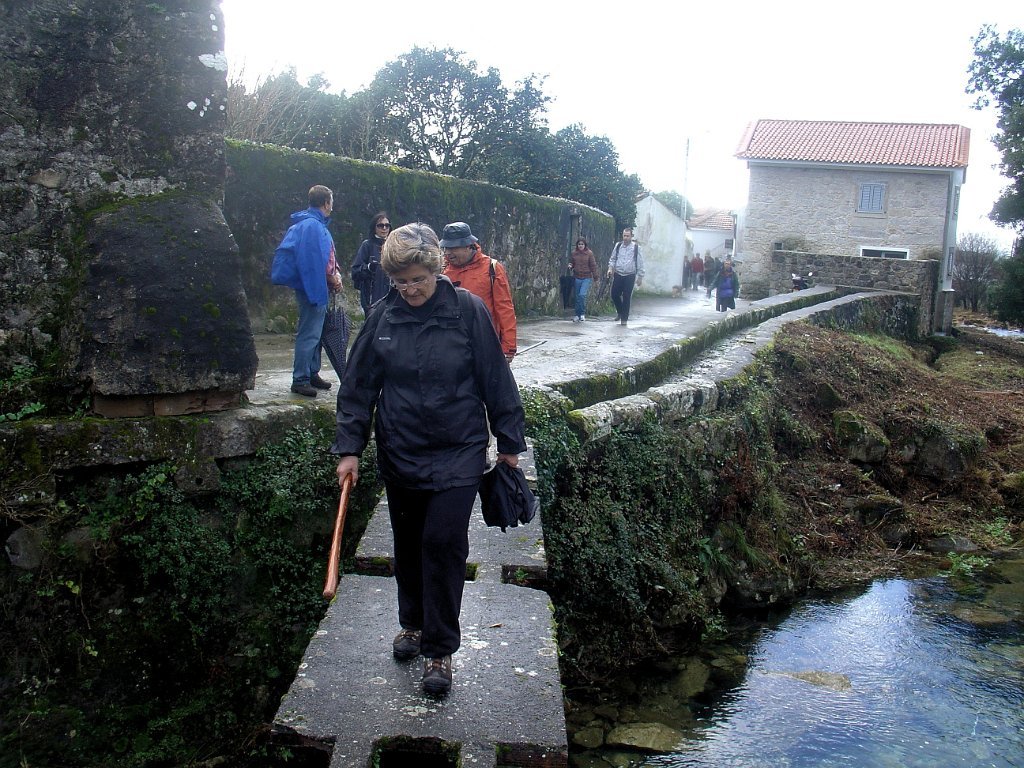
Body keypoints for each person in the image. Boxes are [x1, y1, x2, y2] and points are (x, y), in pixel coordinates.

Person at [332, 223, 526, 697]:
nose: (410, 289)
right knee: (408, 543)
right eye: (400, 282)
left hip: (459, 450)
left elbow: (495, 378)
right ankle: (413, 624)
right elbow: (357, 389)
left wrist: (509, 443)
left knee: (442, 543)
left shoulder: (467, 311)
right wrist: (350, 449)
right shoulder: (382, 317)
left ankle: (439, 650)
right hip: (401, 450)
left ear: (437, 269)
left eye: (417, 279)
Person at [271, 184, 339, 397]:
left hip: (314, 284)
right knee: (310, 333)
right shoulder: (312, 226)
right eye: (331, 202)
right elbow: (314, 261)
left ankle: (311, 372)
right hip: (313, 286)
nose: (332, 206)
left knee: (315, 333)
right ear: (326, 203)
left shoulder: (310, 224)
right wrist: (331, 278)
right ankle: (301, 378)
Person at [440, 222, 517, 361]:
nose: (447, 253)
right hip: (452, 344)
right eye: (446, 248)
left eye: (453, 248)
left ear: (468, 246)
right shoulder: (441, 270)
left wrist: (508, 348)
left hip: (485, 342)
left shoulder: (492, 268)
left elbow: (504, 309)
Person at [350, 212, 392, 314]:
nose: (384, 228)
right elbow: (355, 271)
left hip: (391, 299)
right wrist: (369, 268)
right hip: (371, 299)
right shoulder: (367, 245)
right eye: (380, 225)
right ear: (374, 228)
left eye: (387, 225)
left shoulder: (394, 246)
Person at [606, 227, 645, 326]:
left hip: (630, 275)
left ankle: (624, 319)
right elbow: (613, 258)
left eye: (627, 236)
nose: (625, 238)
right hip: (618, 273)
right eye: (624, 236)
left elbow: (640, 262)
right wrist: (610, 269)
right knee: (614, 294)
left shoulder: (636, 248)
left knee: (627, 297)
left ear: (631, 236)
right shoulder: (618, 246)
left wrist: (640, 277)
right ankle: (620, 312)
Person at [568, 236, 599, 322]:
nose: (580, 246)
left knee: (582, 295)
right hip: (577, 277)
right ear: (577, 245)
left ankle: (582, 314)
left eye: (582, 244)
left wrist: (595, 277)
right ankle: (577, 315)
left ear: (585, 245)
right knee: (577, 297)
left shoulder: (589, 253)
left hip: (586, 277)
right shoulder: (574, 253)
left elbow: (593, 265)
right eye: (579, 244)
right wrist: (570, 265)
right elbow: (572, 263)